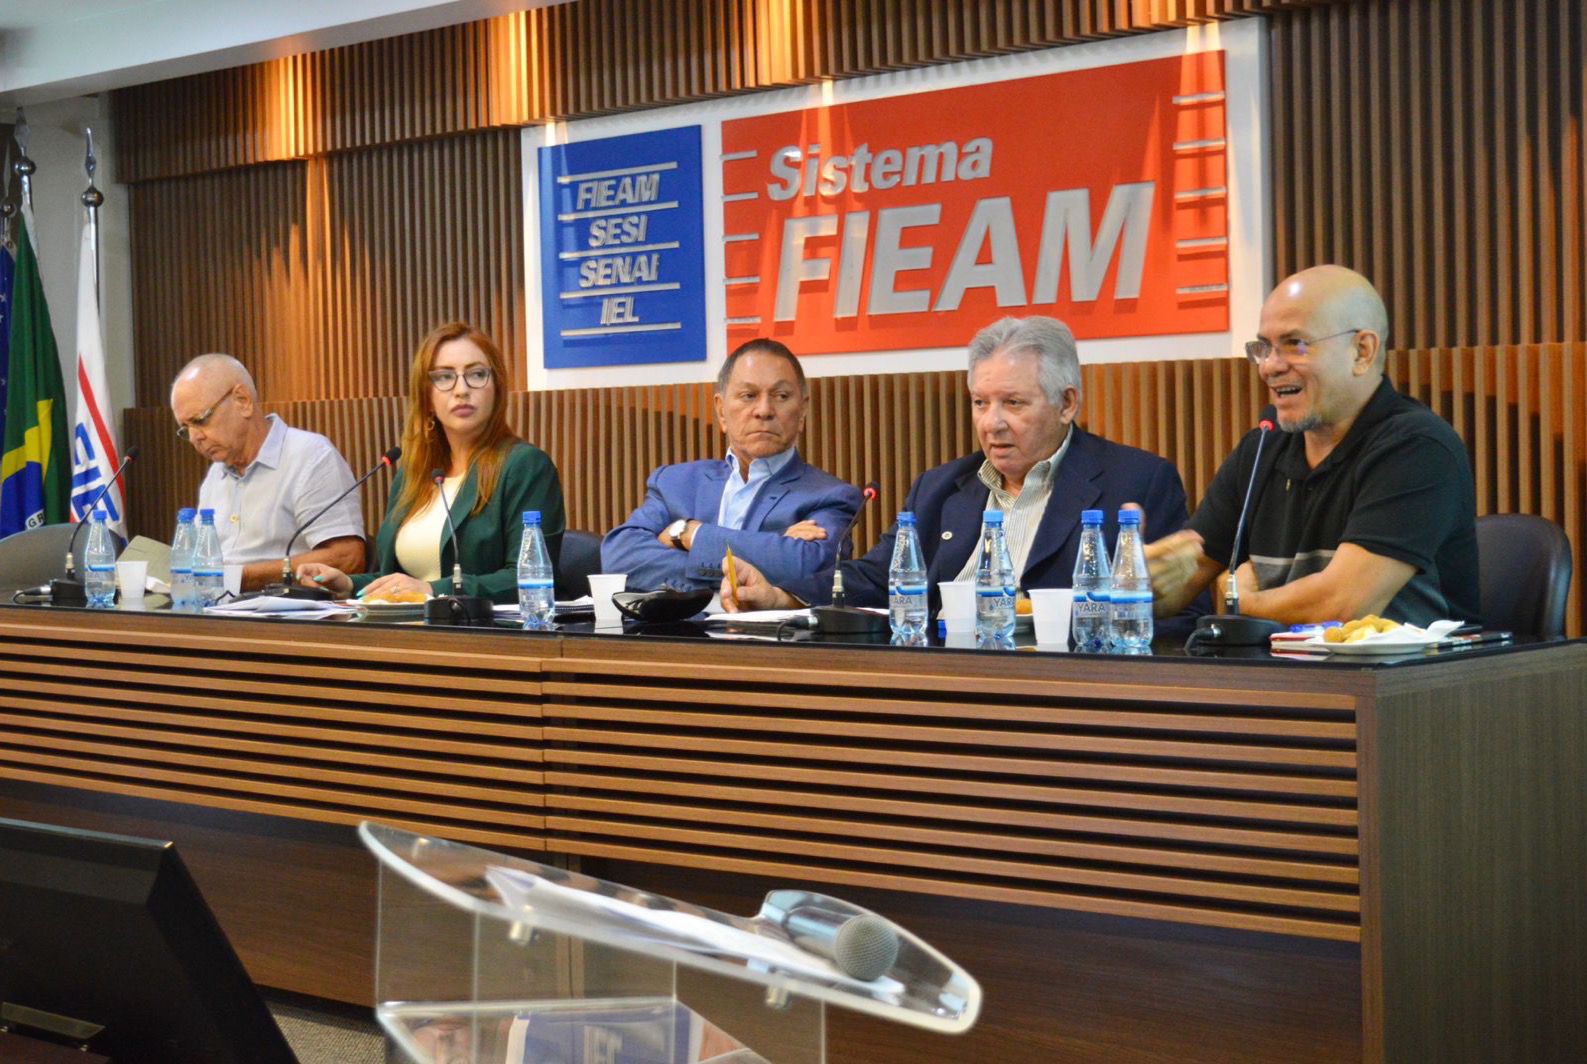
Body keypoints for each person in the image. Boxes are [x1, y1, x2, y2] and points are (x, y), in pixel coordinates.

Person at [721, 316, 1193, 613]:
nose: (993, 424)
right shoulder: (942, 488)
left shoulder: (1136, 481)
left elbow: (1184, 616)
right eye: (980, 403)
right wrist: (782, 594)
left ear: (1067, 403)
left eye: (1013, 403)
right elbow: (873, 579)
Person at [1145, 265, 1479, 626]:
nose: (1269, 367)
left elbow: (1341, 608)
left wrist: (1238, 602)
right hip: (1280, 678)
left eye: (1295, 344)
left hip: (1399, 680)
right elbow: (1179, 582)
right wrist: (1139, 576)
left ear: (1362, 352)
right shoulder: (1261, 449)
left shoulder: (1417, 448)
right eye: (1263, 348)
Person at [296, 322, 565, 603]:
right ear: (426, 397)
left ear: (496, 389)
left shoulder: (524, 466)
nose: (461, 389)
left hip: (487, 635)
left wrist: (433, 591)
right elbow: (401, 581)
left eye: (476, 374)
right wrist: (348, 583)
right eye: (444, 377)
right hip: (410, 632)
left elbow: (528, 578)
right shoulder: (415, 476)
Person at [601, 338, 861, 604]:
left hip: (767, 642)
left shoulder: (831, 495)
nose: (764, 410)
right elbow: (619, 556)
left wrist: (691, 534)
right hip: (676, 637)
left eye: (781, 396)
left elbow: (809, 567)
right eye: (748, 396)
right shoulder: (675, 483)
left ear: (803, 409)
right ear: (721, 410)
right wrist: (769, 547)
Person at [170, 353, 365, 593]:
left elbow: (348, 558)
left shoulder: (310, 456)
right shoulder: (214, 476)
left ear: (242, 400)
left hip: (285, 617)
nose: (194, 438)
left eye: (200, 420)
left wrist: (242, 578)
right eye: (185, 429)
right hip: (216, 614)